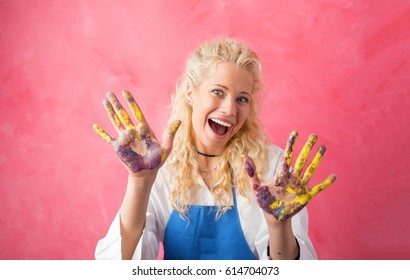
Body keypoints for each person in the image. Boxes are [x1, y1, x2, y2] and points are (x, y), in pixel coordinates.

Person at [93, 37, 336, 260]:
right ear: (190, 91)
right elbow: (117, 266)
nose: (230, 110)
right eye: (218, 92)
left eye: (242, 99)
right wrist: (140, 182)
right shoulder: (159, 164)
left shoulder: (271, 167)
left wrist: (278, 226)